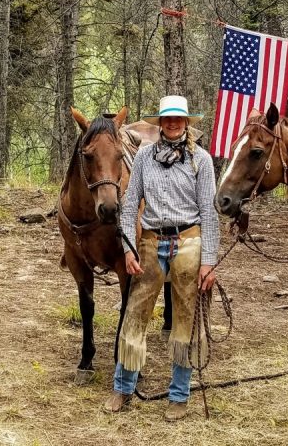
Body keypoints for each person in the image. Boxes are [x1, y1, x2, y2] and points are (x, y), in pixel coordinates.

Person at [104, 95, 220, 422]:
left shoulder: (202, 160)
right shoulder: (143, 157)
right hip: (152, 241)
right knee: (135, 312)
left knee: (185, 317)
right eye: (167, 119)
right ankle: (122, 388)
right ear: (159, 123)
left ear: (186, 122)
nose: (172, 124)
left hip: (189, 240)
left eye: (178, 119)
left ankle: (179, 395)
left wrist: (208, 261)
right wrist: (128, 248)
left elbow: (210, 215)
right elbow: (128, 208)